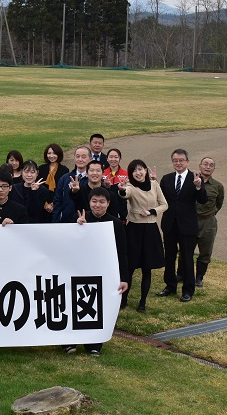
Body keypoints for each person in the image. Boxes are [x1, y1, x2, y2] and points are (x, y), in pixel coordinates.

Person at [64, 188, 129, 356]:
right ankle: (69, 341)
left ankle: (94, 343)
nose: (97, 205)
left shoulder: (115, 223)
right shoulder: (80, 219)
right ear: (89, 202)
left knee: (96, 306)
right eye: (94, 201)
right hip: (78, 270)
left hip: (103, 273)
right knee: (73, 304)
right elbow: (66, 244)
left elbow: (122, 253)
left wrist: (124, 278)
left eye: (102, 202)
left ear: (108, 203)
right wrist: (77, 227)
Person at [156, 149, 208, 303]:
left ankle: (188, 290)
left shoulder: (196, 179)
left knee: (186, 258)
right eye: (175, 160)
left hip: (187, 226)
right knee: (169, 257)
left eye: (181, 160)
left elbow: (203, 200)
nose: (178, 163)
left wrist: (199, 187)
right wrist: (152, 183)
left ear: (187, 162)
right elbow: (159, 199)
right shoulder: (166, 179)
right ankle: (170, 286)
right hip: (170, 224)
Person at [117, 159, 167, 312]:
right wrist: (122, 190)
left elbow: (164, 204)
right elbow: (125, 194)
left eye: (141, 169)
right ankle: (123, 300)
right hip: (134, 230)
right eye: (134, 170)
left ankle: (142, 302)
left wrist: (152, 211)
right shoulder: (131, 186)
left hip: (150, 230)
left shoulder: (154, 184)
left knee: (147, 268)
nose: (138, 172)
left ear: (146, 170)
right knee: (130, 267)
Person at [193, 156, 225, 287]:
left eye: (211, 165)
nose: (208, 167)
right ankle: (181, 274)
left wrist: (209, 215)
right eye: (205, 164)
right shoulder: (191, 181)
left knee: (205, 251)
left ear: (214, 169)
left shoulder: (218, 186)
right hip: (191, 221)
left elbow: (219, 204)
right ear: (199, 166)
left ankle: (199, 277)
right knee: (185, 250)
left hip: (208, 223)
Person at [52, 146, 90, 223]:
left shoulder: (92, 179)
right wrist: (55, 222)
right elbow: (57, 201)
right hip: (66, 221)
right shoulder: (65, 178)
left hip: (86, 221)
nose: (80, 159)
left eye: (83, 157)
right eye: (77, 156)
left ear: (90, 159)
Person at [38, 143, 69, 219]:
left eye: (54, 153)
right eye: (49, 153)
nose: (51, 156)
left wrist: (52, 205)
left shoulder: (64, 170)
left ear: (59, 154)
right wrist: (45, 205)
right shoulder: (41, 169)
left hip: (57, 205)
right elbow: (38, 188)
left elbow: (63, 190)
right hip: (42, 205)